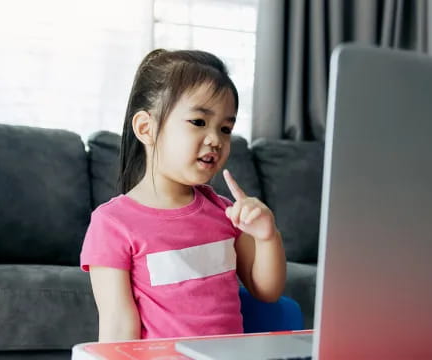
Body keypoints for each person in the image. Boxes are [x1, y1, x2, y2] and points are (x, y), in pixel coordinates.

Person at [80, 49, 286, 342]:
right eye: (199, 122)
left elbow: (266, 290)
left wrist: (267, 236)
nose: (216, 139)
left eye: (226, 128)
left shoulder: (224, 212)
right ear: (146, 128)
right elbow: (117, 328)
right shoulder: (112, 224)